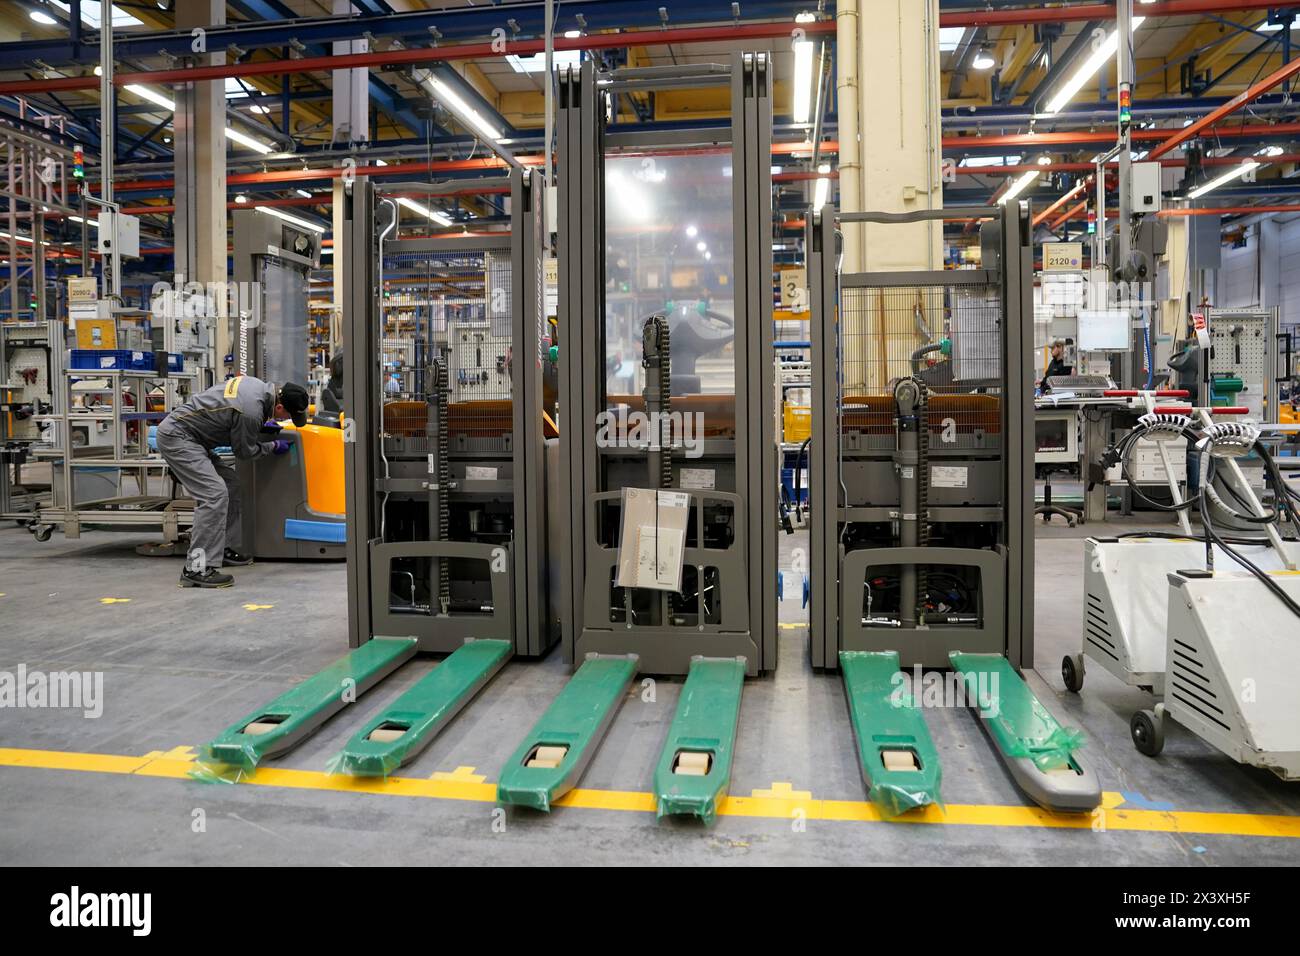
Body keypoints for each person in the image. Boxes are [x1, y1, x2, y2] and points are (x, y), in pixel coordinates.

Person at [156, 376, 310, 588]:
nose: (286, 421)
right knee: (214, 495)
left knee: (230, 484)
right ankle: (197, 568)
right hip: (179, 438)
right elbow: (244, 452)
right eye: (288, 416)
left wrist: (261, 428)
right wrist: (272, 446)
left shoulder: (257, 387)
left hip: (193, 438)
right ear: (280, 406)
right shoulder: (251, 412)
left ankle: (220, 550)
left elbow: (231, 413)